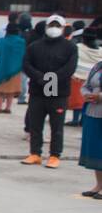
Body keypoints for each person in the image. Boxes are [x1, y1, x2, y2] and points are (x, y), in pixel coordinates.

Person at [22, 14, 78, 168]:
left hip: (58, 92)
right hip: (37, 91)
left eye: (57, 25)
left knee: (57, 125)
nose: (54, 28)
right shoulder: (34, 46)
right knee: (35, 124)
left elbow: (70, 68)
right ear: (46, 27)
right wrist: (40, 77)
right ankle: (35, 153)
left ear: (62, 28)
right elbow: (26, 64)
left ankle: (54, 155)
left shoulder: (70, 47)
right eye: (51, 25)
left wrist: (52, 78)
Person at [0, 19, 26, 113]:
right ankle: (8, 108)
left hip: (1, 68)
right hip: (15, 69)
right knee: (11, 90)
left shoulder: (1, 42)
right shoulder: (21, 42)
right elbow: (24, 55)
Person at [79, 42, 102, 199]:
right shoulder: (97, 67)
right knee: (95, 149)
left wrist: (100, 96)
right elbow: (85, 85)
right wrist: (86, 94)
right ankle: (99, 185)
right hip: (93, 111)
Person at [67, 20, 97, 126]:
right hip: (93, 79)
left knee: (77, 101)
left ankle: (75, 119)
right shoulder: (100, 51)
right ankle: (83, 120)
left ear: (83, 37)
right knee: (88, 101)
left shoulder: (78, 47)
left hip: (78, 77)